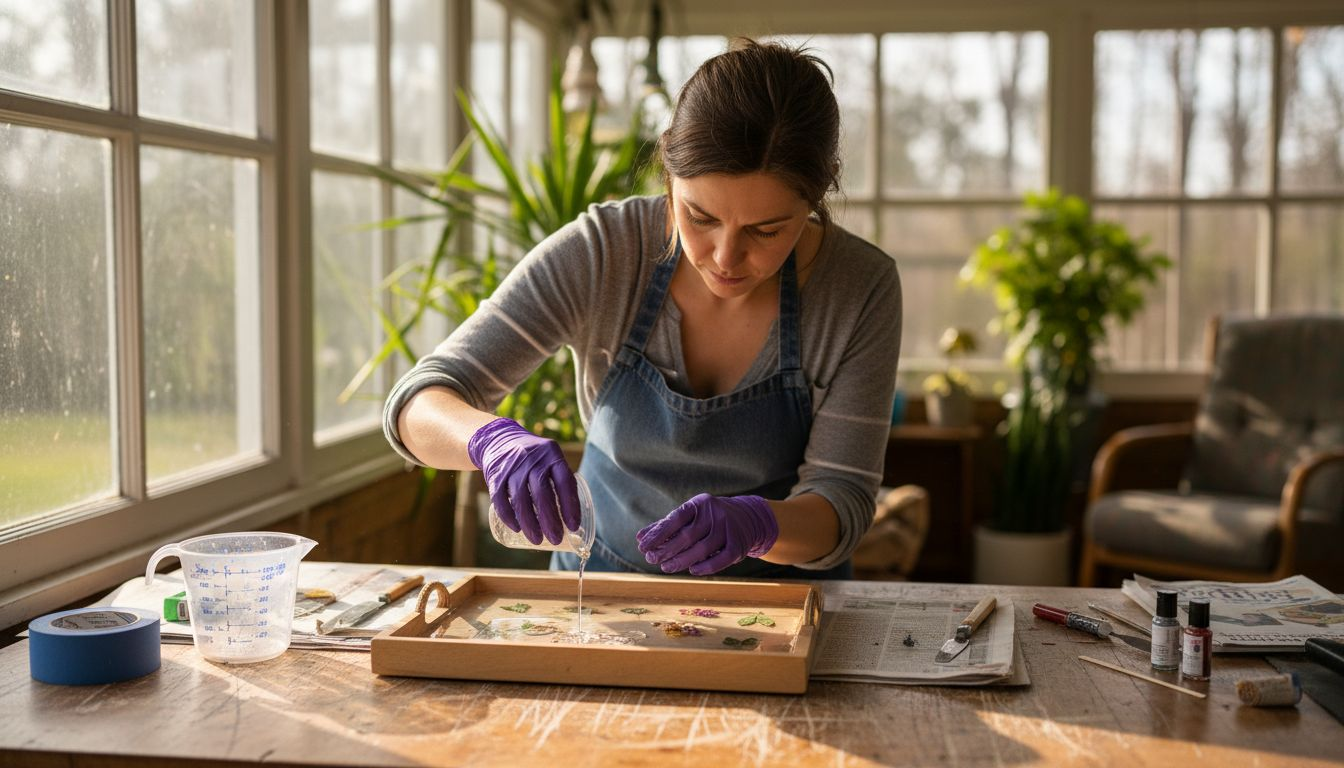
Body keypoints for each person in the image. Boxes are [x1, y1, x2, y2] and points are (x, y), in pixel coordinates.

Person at [383, 38, 902, 580]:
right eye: (699, 217)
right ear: (667, 174)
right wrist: (490, 442)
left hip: (780, 606)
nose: (726, 257)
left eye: (767, 230)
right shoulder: (604, 253)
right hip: (602, 584)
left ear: (817, 197)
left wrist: (760, 526)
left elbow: (842, 503)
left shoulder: (860, 287)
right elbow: (416, 403)